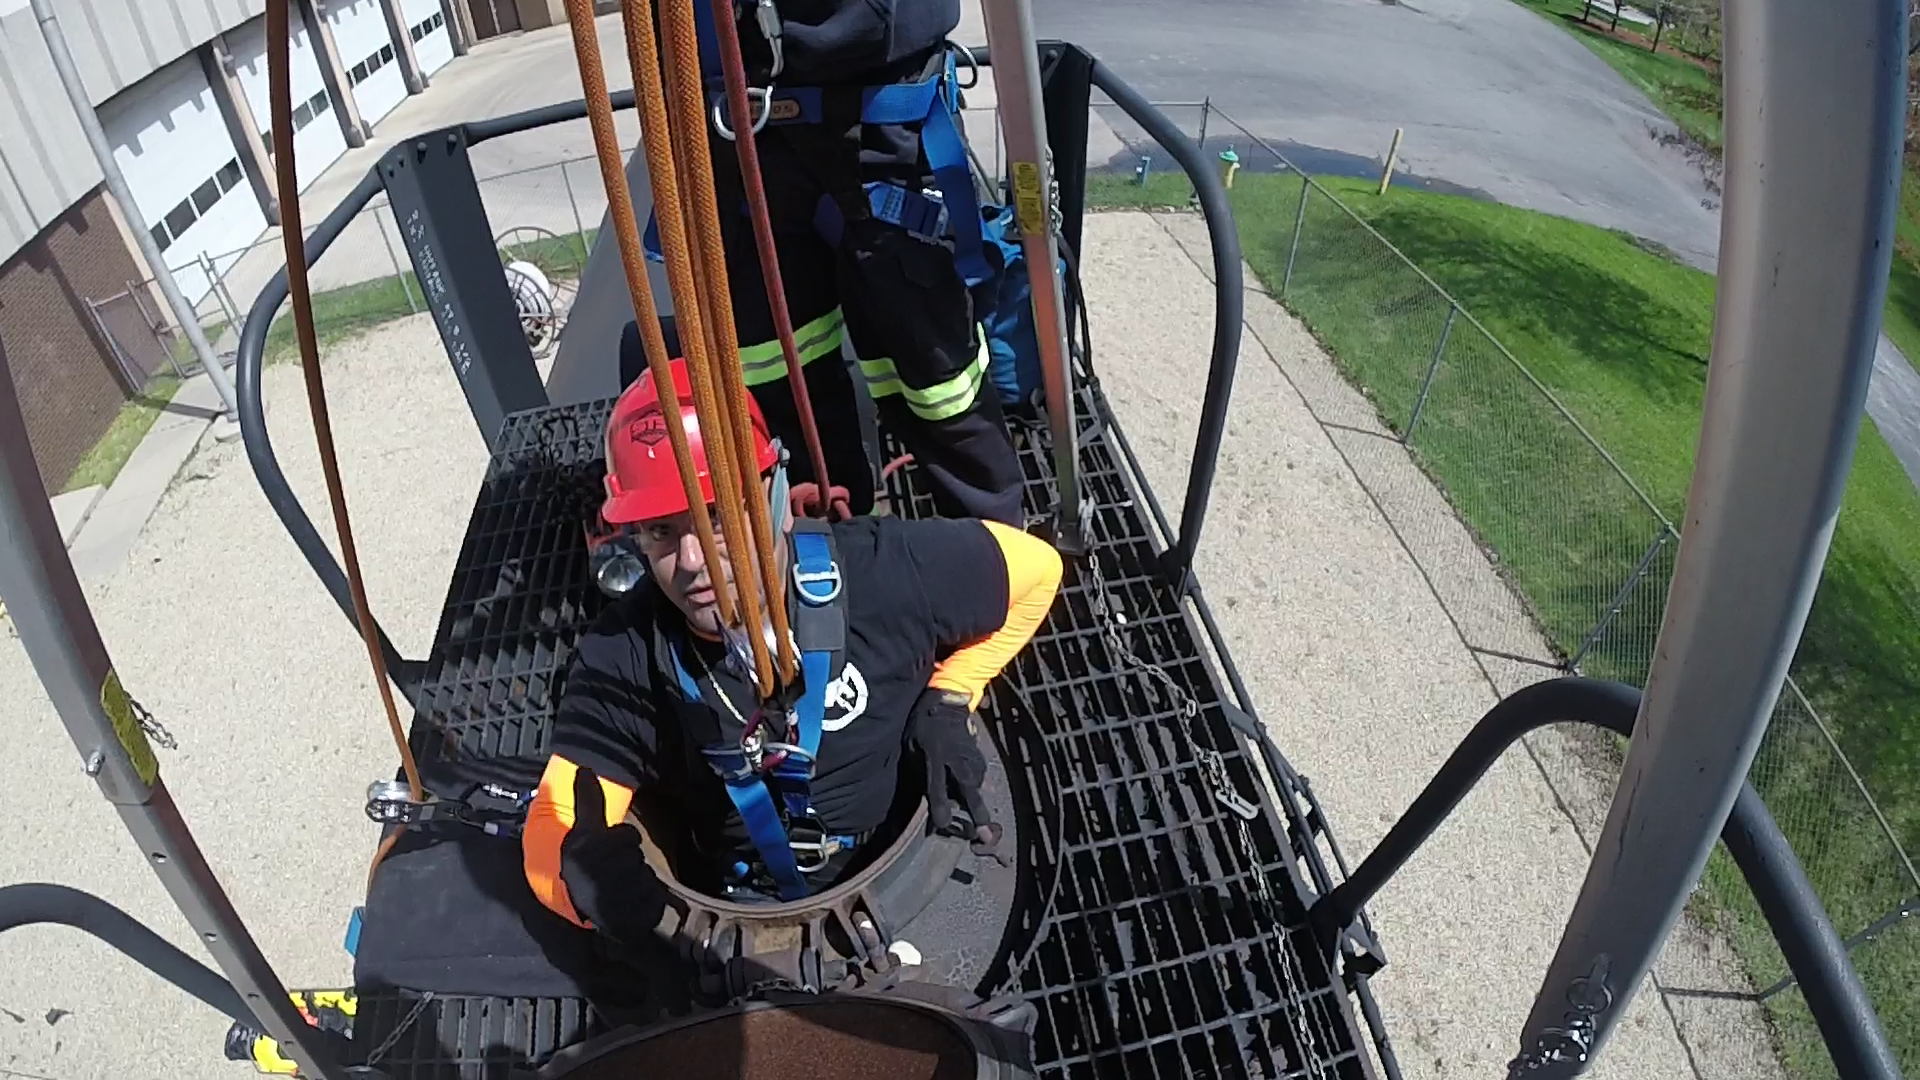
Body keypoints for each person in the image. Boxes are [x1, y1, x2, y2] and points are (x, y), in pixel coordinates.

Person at [522, 358, 1061, 940]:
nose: (694, 560)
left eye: (718, 519)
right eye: (660, 531)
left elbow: (1038, 569)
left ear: (774, 493)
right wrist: (590, 895)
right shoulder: (623, 656)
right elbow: (555, 828)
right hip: (741, 911)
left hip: (902, 874)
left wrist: (952, 693)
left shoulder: (886, 573)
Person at [658, 0, 1026, 525]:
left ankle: (996, 560)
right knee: (779, 377)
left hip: (878, 119)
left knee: (939, 380)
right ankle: (832, 552)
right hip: (735, 138)